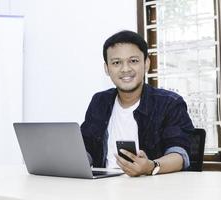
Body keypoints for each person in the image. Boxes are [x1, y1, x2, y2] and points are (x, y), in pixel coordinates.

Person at [81, 30, 194, 177]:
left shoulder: (169, 103)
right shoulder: (100, 101)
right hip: (103, 187)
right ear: (107, 68)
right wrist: (75, 161)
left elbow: (180, 155)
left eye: (133, 61)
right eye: (116, 63)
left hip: (151, 189)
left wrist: (151, 167)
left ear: (146, 64)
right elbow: (86, 146)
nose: (125, 69)